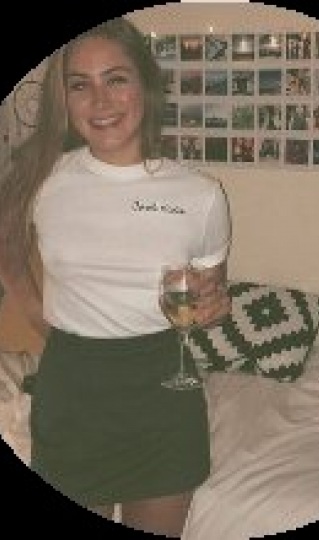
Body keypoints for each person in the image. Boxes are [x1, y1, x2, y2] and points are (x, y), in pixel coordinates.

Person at [0, 17, 231, 537]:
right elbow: (8, 251)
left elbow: (211, 297)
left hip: (164, 398)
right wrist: (41, 319)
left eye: (116, 79)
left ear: (144, 85)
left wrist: (215, 305)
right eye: (80, 85)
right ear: (64, 99)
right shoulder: (43, 177)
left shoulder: (201, 195)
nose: (100, 101)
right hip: (72, 394)